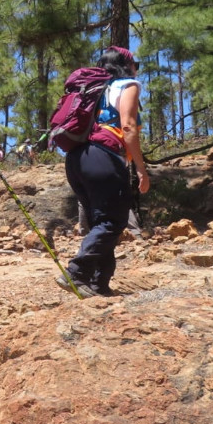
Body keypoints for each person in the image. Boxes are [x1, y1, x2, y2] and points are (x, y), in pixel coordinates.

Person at [59, 46, 149, 298]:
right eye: (135, 65)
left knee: (102, 222)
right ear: (127, 66)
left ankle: (99, 284)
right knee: (113, 221)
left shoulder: (92, 90)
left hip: (77, 158)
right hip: (104, 155)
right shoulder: (128, 85)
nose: (137, 70)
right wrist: (141, 168)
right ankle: (76, 273)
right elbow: (128, 127)